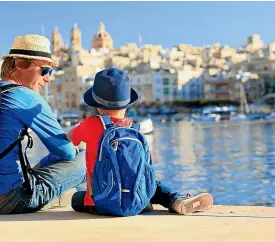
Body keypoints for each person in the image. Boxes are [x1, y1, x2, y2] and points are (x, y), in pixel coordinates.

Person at [0, 34, 86, 214]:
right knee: (86, 157)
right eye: (45, 70)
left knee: (53, 158)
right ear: (19, 64)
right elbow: (66, 151)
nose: (47, 78)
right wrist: (75, 147)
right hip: (5, 200)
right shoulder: (26, 96)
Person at [67, 67, 214, 215]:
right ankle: (176, 200)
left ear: (97, 105)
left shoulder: (89, 124)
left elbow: (70, 137)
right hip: (137, 201)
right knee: (154, 185)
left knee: (75, 199)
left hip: (101, 202)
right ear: (127, 104)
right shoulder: (134, 129)